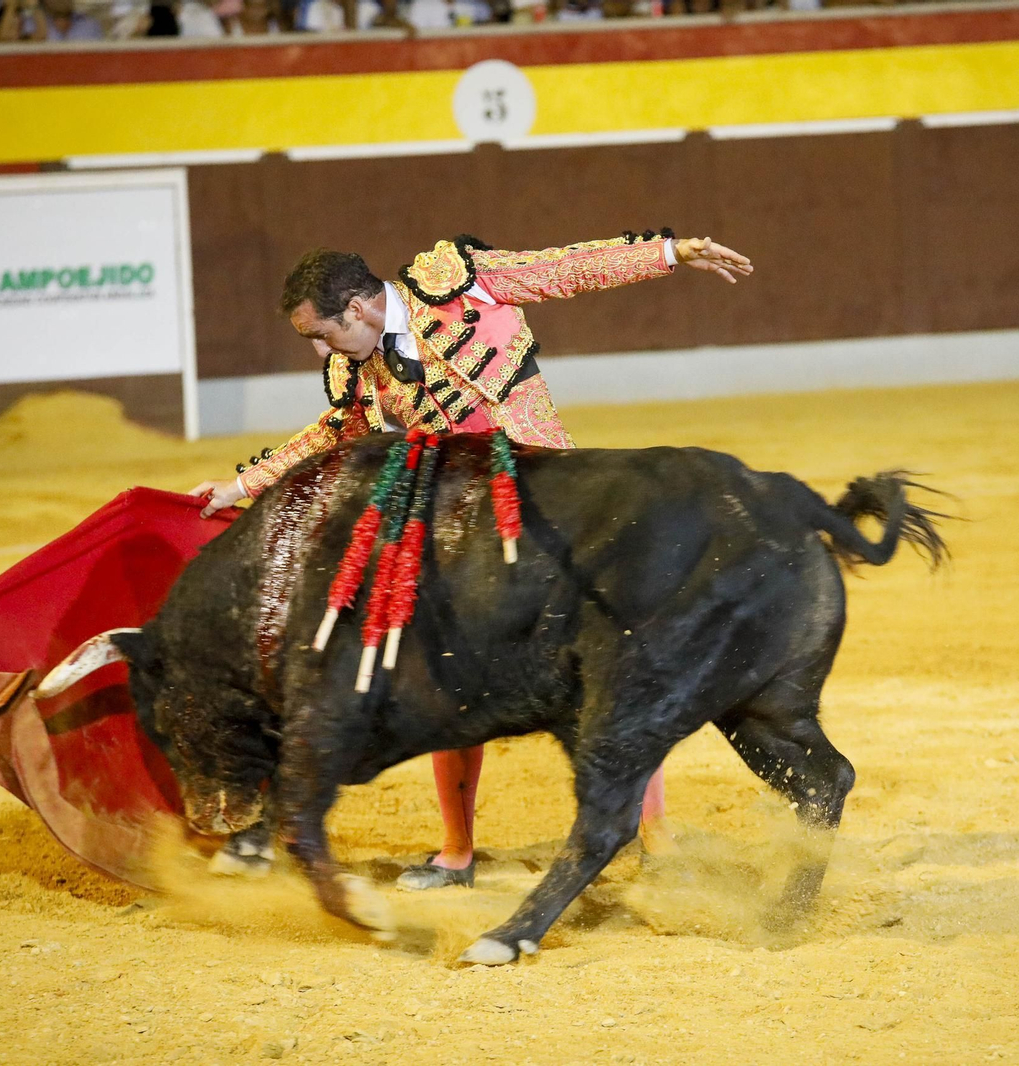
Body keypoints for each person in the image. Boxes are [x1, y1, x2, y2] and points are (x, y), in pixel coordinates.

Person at [190, 231, 752, 888]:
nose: (320, 352)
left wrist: (669, 253)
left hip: (555, 508)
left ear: (360, 310)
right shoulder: (355, 371)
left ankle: (654, 835)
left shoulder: (459, 283)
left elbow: (565, 270)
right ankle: (456, 853)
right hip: (460, 536)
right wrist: (240, 485)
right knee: (447, 678)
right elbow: (329, 435)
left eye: (322, 335)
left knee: (616, 662)